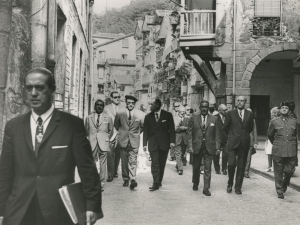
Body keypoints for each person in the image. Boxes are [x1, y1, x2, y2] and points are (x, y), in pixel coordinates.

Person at [0, 67, 102, 225]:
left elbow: (87, 169)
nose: (33, 93)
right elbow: (5, 173)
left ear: (52, 90)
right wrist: (1, 210)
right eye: (29, 88)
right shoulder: (13, 126)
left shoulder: (72, 125)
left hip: (58, 211)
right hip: (19, 212)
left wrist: (92, 206)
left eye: (39, 87)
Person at [188, 100, 220, 196]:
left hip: (209, 147)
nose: (204, 109)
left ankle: (206, 188)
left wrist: (217, 147)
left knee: (207, 168)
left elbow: (217, 134)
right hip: (197, 146)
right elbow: (189, 132)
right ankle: (196, 182)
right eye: (202, 107)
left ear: (208, 108)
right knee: (196, 167)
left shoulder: (214, 119)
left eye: (206, 107)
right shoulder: (194, 117)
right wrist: (190, 146)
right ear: (200, 108)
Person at [143, 98, 175, 191]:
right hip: (153, 144)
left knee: (161, 164)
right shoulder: (148, 117)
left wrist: (172, 141)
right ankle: (155, 183)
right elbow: (146, 131)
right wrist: (144, 144)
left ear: (157, 105)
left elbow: (172, 129)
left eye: (151, 104)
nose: (149, 106)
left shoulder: (167, 115)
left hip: (164, 144)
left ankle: (159, 180)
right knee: (155, 164)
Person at [224, 96, 254, 195]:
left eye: (242, 101)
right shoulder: (230, 113)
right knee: (231, 164)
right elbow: (226, 127)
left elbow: (250, 128)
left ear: (245, 102)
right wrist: (233, 135)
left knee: (241, 166)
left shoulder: (249, 114)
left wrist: (243, 136)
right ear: (236, 102)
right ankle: (230, 183)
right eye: (238, 100)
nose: (240, 102)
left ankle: (238, 187)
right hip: (233, 142)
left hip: (244, 143)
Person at [267, 102, 298, 199]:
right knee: (279, 171)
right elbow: (270, 135)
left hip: (291, 150)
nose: (284, 109)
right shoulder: (274, 121)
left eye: (286, 108)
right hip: (278, 150)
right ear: (280, 110)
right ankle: (279, 190)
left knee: (290, 170)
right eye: (282, 108)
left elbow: (296, 134)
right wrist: (277, 143)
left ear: (289, 110)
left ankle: (285, 183)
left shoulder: (294, 121)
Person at [114, 95, 144, 190]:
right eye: (129, 103)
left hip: (134, 141)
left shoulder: (140, 114)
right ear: (126, 103)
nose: (130, 105)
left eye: (132, 103)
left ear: (135, 104)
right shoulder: (119, 113)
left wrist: (136, 133)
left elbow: (143, 126)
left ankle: (133, 179)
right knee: (124, 161)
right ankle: (126, 179)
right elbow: (116, 125)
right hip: (123, 140)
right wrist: (122, 133)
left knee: (133, 161)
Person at [85, 100, 114, 191]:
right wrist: (90, 137)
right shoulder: (88, 117)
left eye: (101, 105)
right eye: (97, 105)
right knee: (92, 163)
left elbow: (111, 130)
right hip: (92, 142)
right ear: (95, 106)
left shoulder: (108, 118)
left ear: (103, 107)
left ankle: (101, 182)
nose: (99, 107)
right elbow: (86, 129)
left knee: (103, 163)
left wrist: (106, 138)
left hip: (103, 143)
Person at [104, 91, 123, 181]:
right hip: (110, 134)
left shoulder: (123, 108)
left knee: (118, 154)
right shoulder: (106, 108)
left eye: (119, 97)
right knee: (110, 153)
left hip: (120, 134)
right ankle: (110, 174)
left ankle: (115, 170)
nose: (117, 98)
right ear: (111, 98)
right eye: (115, 97)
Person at [213, 104, 228, 175]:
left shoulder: (229, 117)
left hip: (226, 139)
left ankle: (224, 168)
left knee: (226, 154)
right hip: (217, 139)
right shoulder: (215, 118)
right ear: (219, 111)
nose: (226, 111)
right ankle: (217, 169)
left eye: (226, 110)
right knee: (216, 155)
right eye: (224, 110)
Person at [174, 106, 189, 175]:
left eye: (183, 112)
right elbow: (174, 128)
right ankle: (180, 169)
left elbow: (190, 128)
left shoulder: (187, 118)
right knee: (178, 153)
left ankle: (178, 164)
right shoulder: (175, 118)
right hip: (177, 138)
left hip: (185, 139)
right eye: (181, 112)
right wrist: (182, 128)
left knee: (182, 153)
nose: (182, 113)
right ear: (178, 112)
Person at [265, 107, 280, 172]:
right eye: (272, 114)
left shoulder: (275, 121)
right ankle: (270, 166)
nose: (272, 115)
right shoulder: (273, 120)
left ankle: (271, 166)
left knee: (272, 153)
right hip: (270, 138)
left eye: (273, 114)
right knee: (269, 152)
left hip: (274, 138)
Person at [244, 108, 258, 178]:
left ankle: (246, 171)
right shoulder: (241, 119)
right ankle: (241, 169)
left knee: (248, 158)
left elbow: (255, 131)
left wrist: (255, 142)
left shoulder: (253, 121)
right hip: (242, 141)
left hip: (250, 141)